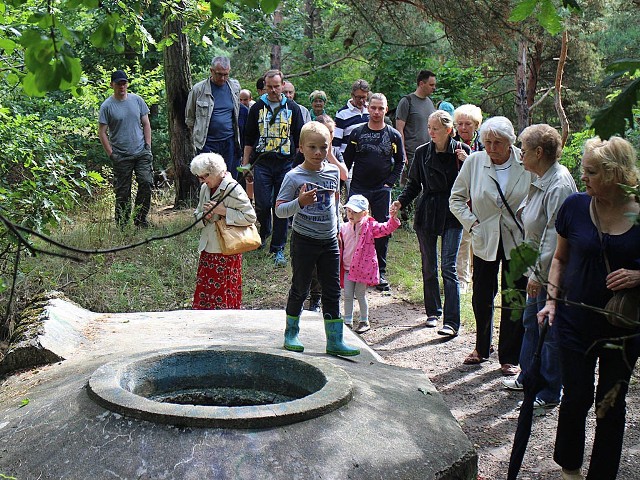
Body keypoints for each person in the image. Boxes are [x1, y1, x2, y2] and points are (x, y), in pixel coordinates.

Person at [537, 136, 640, 480]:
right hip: (573, 319)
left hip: (623, 328)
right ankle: (569, 467)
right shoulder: (575, 206)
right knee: (576, 396)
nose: (584, 178)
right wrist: (551, 302)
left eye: (592, 172)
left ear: (614, 174)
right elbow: (559, 258)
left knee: (610, 405)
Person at [501, 124, 577, 409]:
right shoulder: (541, 177)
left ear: (539, 152)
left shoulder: (558, 185)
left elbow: (553, 237)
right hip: (536, 265)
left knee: (547, 331)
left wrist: (538, 274)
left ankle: (547, 392)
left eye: (523, 147)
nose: (519, 152)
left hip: (548, 272)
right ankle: (528, 376)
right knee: (531, 323)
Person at [449, 116, 532, 374]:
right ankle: (481, 348)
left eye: (498, 142)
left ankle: (510, 356)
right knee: (482, 295)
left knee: (514, 296)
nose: (492, 148)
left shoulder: (525, 162)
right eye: (487, 142)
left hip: (518, 241)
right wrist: (473, 224)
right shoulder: (475, 162)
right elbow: (456, 199)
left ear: (509, 143)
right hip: (485, 238)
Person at [275, 121, 360, 357]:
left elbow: (334, 203)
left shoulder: (332, 172)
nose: (318, 153)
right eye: (312, 147)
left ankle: (335, 340)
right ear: (301, 147)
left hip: (329, 241)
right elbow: (279, 210)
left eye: (323, 147)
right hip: (304, 240)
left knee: (332, 289)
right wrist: (299, 203)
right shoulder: (294, 176)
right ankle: (291, 333)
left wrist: (339, 229)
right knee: (300, 287)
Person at [393, 111, 470, 335]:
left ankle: (452, 322)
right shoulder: (422, 152)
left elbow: (475, 181)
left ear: (448, 130)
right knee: (429, 265)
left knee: (449, 267)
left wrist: (468, 163)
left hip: (452, 212)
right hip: (427, 210)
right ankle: (433, 313)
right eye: (429, 128)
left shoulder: (462, 152)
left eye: (435, 128)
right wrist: (400, 202)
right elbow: (414, 184)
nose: (431, 132)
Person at [240, 69, 305, 266]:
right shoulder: (257, 107)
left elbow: (300, 138)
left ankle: (277, 248)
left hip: (286, 163)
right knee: (262, 203)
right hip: (262, 164)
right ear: (264, 87)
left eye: (277, 86)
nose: (274, 90)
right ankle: (265, 231)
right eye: (270, 87)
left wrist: (299, 167)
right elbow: (249, 138)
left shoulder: (293, 108)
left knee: (281, 206)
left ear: (283, 85)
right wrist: (245, 164)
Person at [343, 93, 404, 292]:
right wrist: (347, 185)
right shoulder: (357, 133)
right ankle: (351, 268)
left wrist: (389, 184)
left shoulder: (394, 135)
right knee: (353, 229)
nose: (377, 112)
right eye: (373, 108)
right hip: (359, 187)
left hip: (381, 189)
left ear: (386, 110)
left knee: (381, 230)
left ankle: (380, 272)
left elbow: (401, 161)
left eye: (381, 109)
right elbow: (347, 161)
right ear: (368, 108)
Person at [190, 153, 257, 310]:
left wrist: (224, 211)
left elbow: (250, 216)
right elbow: (197, 216)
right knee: (206, 292)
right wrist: (204, 216)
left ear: (214, 172)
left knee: (224, 294)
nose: (201, 181)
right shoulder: (205, 188)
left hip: (227, 250)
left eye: (203, 177)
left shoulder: (233, 188)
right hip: (208, 248)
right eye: (198, 177)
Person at [98, 69, 154, 229]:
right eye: (118, 84)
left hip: (141, 152)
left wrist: (148, 146)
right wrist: (111, 154)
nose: (122, 87)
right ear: (112, 85)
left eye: (124, 83)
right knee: (123, 192)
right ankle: (122, 224)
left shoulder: (137, 101)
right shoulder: (107, 106)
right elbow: (102, 132)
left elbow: (146, 124)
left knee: (146, 182)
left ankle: (140, 219)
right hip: (121, 155)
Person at [341, 195, 400, 334]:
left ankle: (364, 320)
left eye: (355, 212)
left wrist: (392, 218)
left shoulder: (370, 226)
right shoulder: (343, 227)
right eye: (349, 211)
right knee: (348, 295)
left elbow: (386, 228)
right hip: (347, 267)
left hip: (362, 269)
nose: (351, 215)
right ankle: (347, 321)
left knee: (360, 295)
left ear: (365, 213)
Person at [185, 56, 241, 178]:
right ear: (211, 71)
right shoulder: (198, 90)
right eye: (219, 74)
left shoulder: (235, 87)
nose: (223, 78)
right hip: (207, 143)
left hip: (229, 141)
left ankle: (227, 198)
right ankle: (208, 198)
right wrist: (197, 138)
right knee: (209, 178)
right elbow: (190, 119)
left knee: (228, 177)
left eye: (226, 74)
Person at [453, 104, 484, 293]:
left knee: (479, 239)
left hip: (480, 198)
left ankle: (477, 275)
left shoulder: (483, 144)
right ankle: (462, 278)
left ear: (476, 125)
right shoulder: (452, 143)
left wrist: (469, 159)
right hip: (461, 199)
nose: (464, 128)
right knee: (463, 239)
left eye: (468, 124)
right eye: (460, 124)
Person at [395, 70, 437, 185]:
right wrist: (402, 154)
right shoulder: (407, 101)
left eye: (435, 85)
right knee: (411, 188)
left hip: (428, 154)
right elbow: (399, 130)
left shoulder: (430, 103)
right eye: (431, 85)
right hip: (411, 155)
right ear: (421, 84)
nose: (434, 88)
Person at [333, 79, 370, 154]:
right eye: (358, 97)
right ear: (352, 95)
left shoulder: (370, 110)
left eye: (364, 97)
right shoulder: (342, 114)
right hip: (347, 157)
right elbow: (336, 143)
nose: (361, 100)